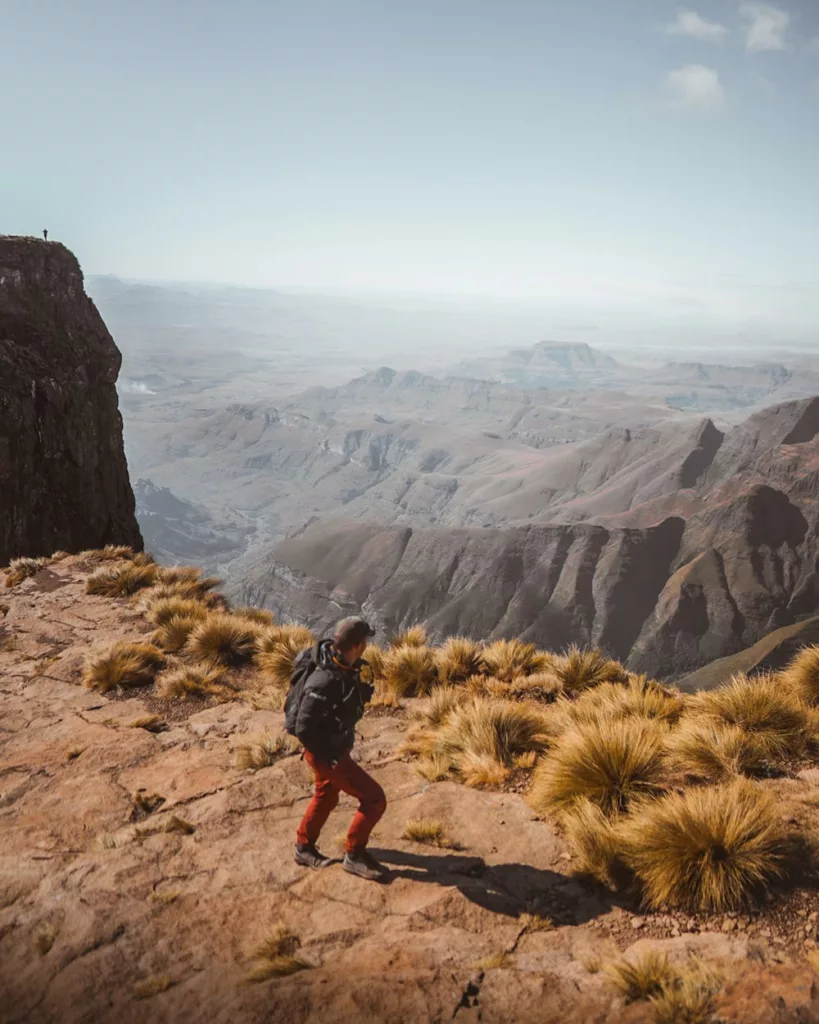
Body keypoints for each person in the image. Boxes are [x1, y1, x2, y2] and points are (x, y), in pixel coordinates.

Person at [290, 617, 388, 881]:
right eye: (365, 641)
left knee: (326, 796)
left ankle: (303, 847)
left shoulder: (338, 662)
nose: (367, 645)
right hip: (327, 754)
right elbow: (303, 727)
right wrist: (330, 758)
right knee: (374, 799)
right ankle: (354, 855)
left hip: (329, 749)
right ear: (356, 645)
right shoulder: (324, 681)